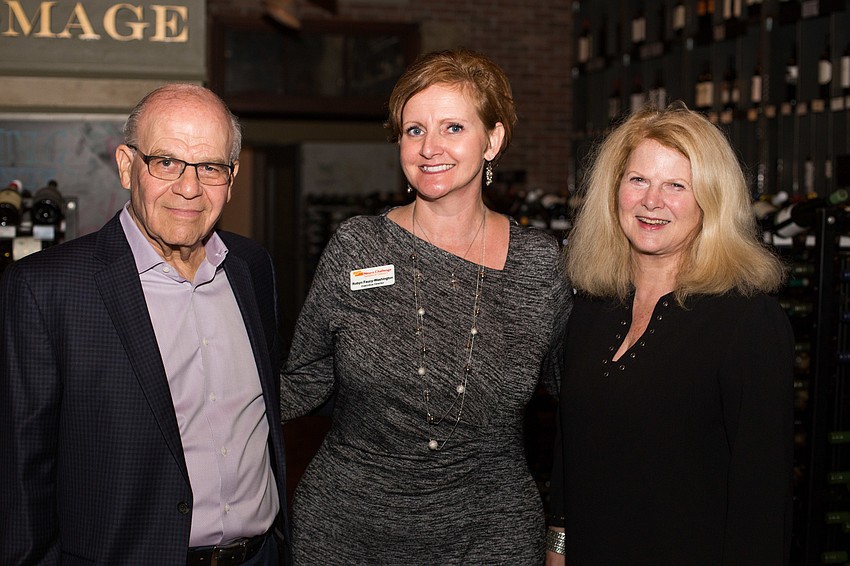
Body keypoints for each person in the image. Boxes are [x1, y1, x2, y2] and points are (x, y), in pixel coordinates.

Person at [281, 48, 571, 563]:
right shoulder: (359, 248)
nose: (429, 147)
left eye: (453, 128)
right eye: (414, 130)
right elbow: (302, 379)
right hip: (347, 533)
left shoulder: (538, 264)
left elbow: (580, 404)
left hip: (490, 536)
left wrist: (563, 535)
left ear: (493, 139)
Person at [0, 84, 289, 565]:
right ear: (126, 165)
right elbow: (19, 476)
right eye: (166, 162)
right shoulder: (45, 288)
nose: (190, 188)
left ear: (232, 176)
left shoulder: (251, 267)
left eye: (210, 167)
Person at [546, 103, 793, 565]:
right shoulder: (592, 308)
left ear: (710, 202)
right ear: (614, 190)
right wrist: (557, 547)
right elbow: (569, 449)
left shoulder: (747, 322)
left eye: (676, 185)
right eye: (638, 180)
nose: (651, 201)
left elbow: (762, 494)